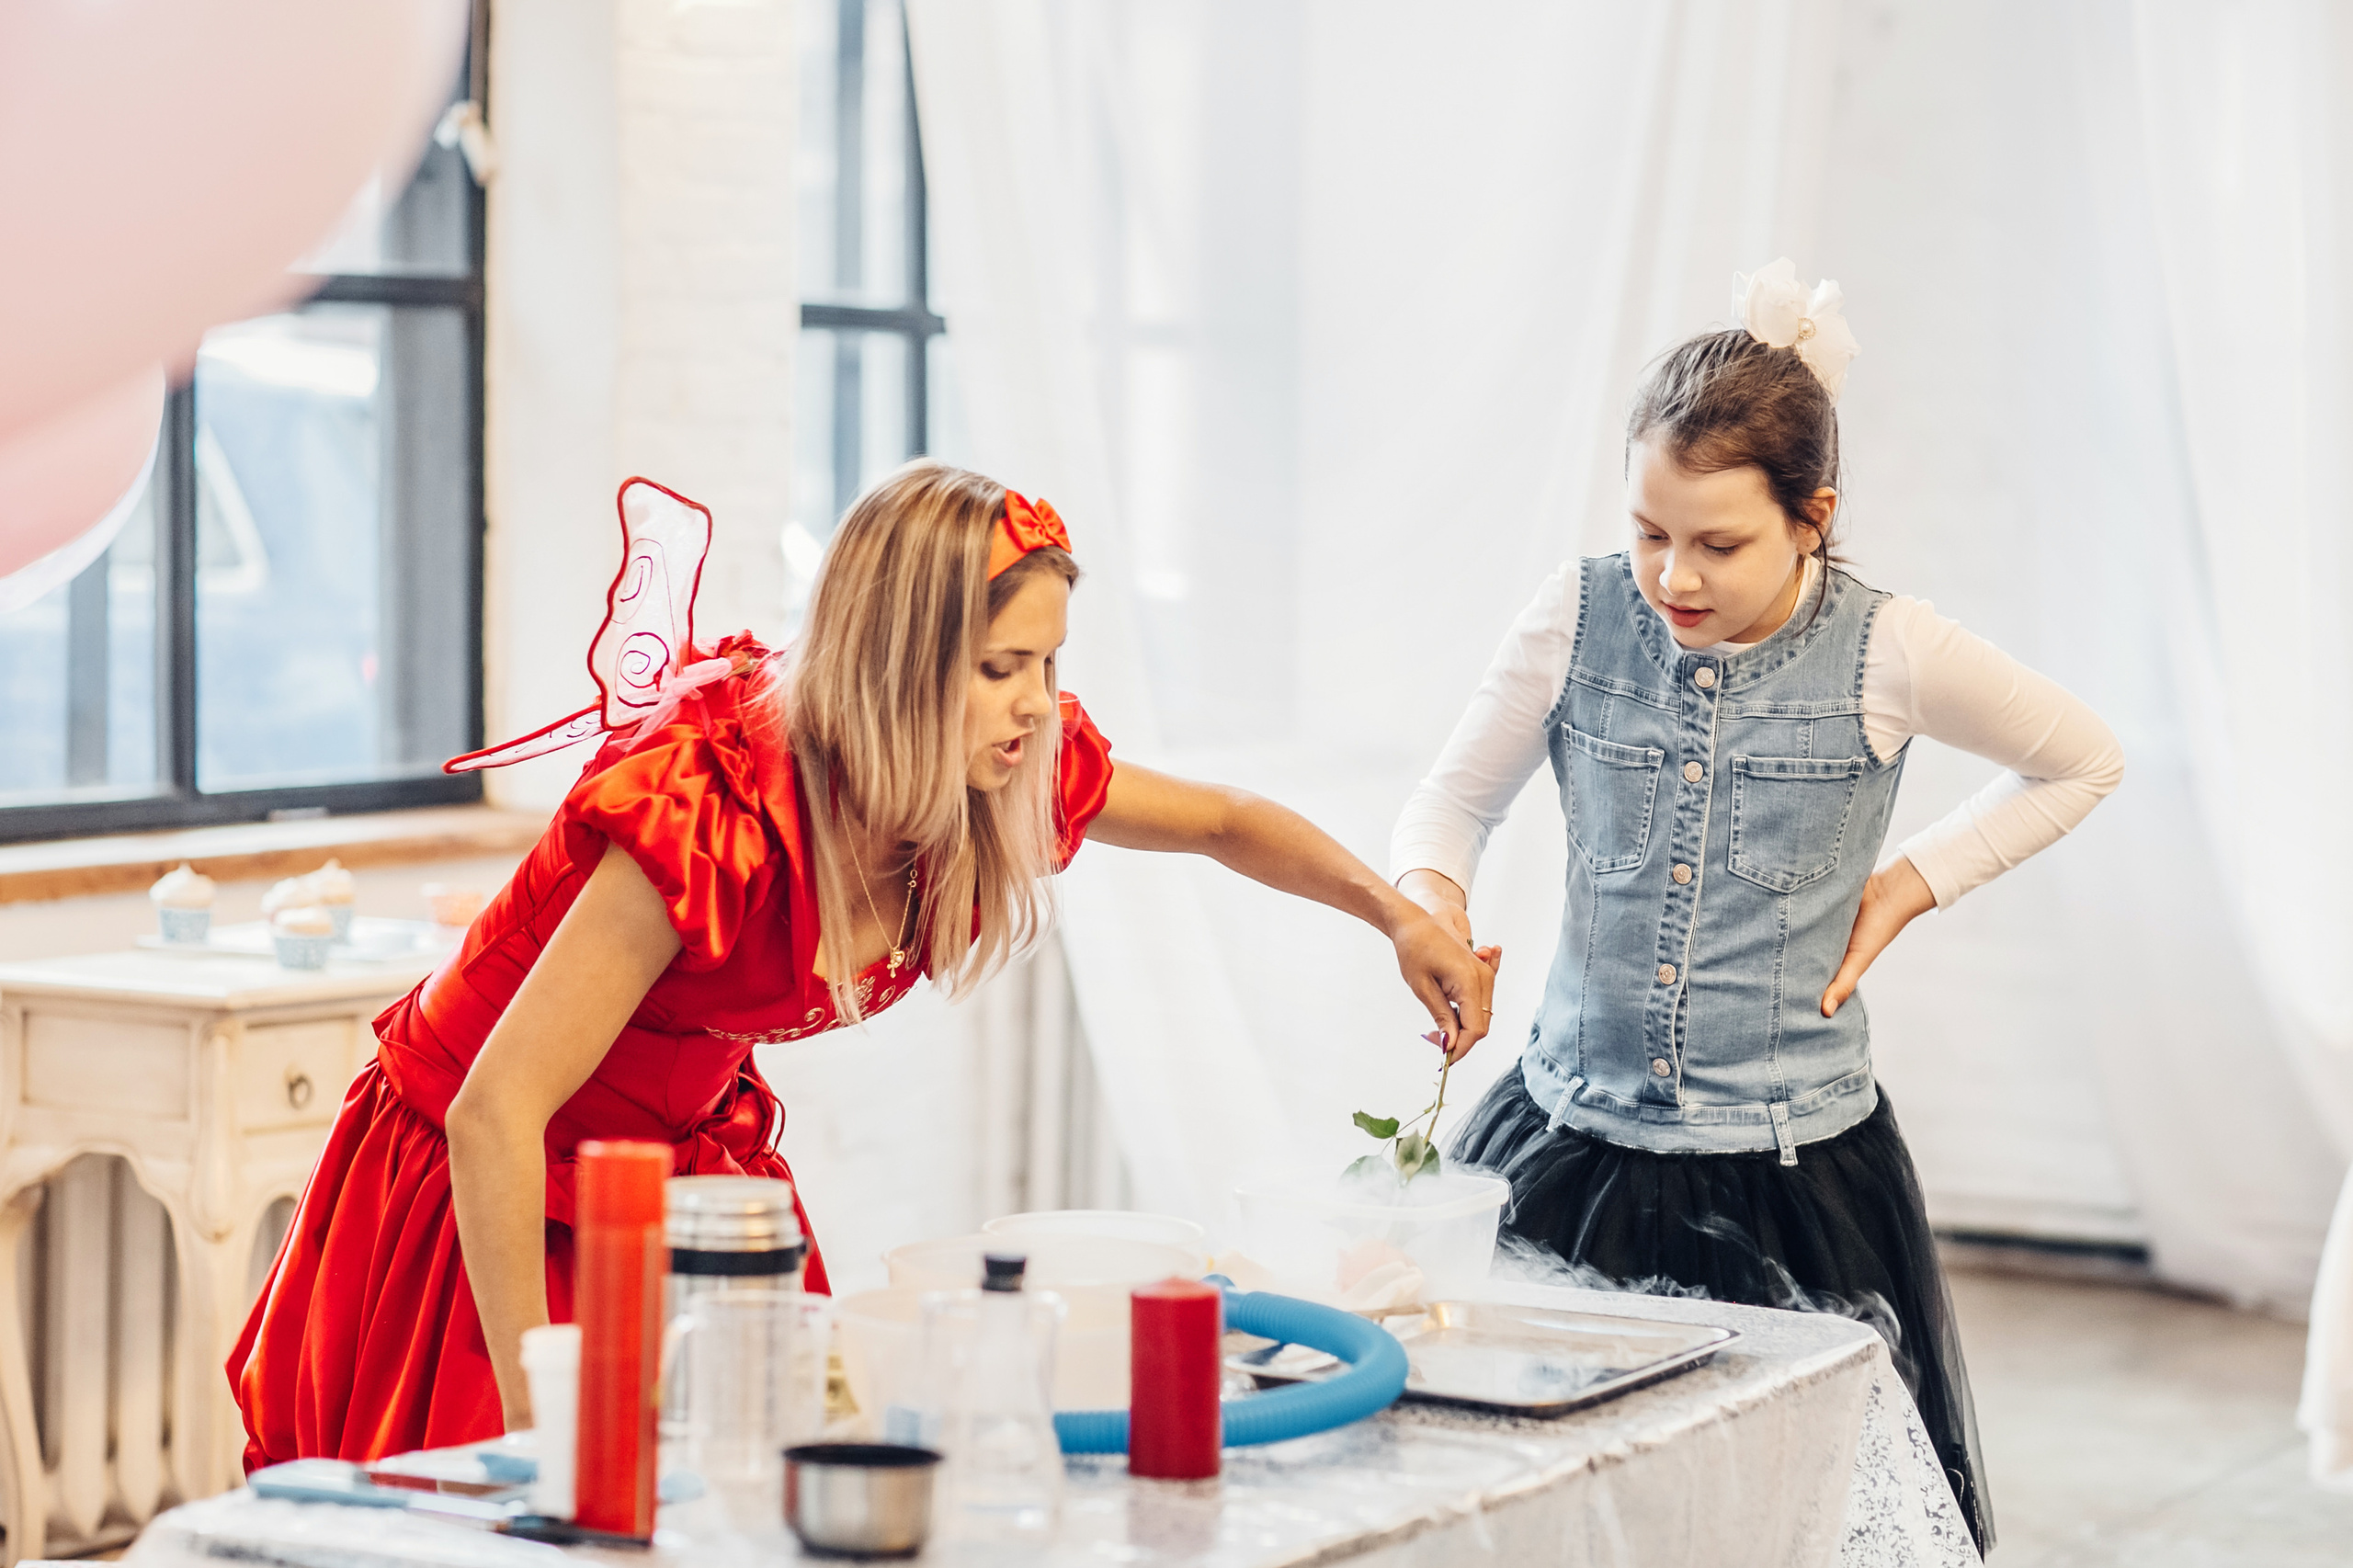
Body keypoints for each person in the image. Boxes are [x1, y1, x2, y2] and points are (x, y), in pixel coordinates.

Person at [232, 460, 1495, 1469]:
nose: (1036, 705)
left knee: (752, 1475)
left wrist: (1398, 917)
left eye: (1051, 664)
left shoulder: (997, 769)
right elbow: (494, 1107)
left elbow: (1222, 820)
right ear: (895, 666)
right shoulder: (710, 810)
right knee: (534, 1509)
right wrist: (536, 1415)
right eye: (1001, 667)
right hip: (488, 1169)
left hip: (679, 1162)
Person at [1389, 263, 2123, 1553]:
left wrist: (1908, 882)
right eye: (1648, 530)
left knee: (1781, 1529)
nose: (1673, 573)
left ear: (1812, 518)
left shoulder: (1891, 649)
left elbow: (2080, 757)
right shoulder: (1574, 615)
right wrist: (1430, 908)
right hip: (1568, 1144)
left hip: (1793, 1173)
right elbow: (1447, 805)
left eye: (1718, 542)